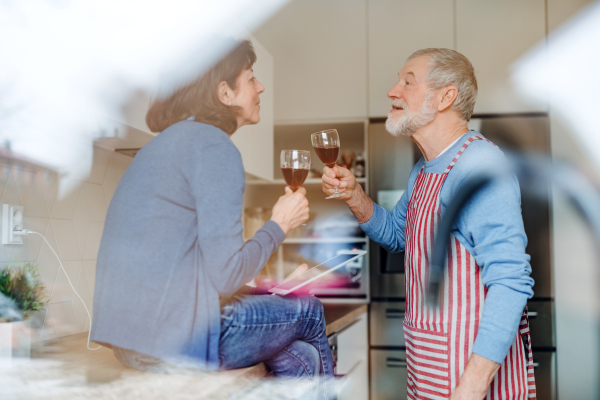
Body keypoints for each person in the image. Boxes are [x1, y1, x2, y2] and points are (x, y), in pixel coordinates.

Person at [91, 39, 334, 399]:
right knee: (310, 310)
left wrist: (273, 290)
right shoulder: (214, 145)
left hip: (132, 343)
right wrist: (279, 223)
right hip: (177, 342)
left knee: (301, 356)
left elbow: (199, 272)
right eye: (251, 78)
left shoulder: (162, 145)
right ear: (225, 92)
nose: (260, 87)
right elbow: (225, 278)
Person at [321, 48, 536, 400]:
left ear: (445, 97)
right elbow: (396, 235)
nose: (393, 91)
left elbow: (510, 281)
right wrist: (354, 195)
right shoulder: (423, 169)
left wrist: (472, 387)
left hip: (470, 377)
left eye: (408, 81)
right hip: (430, 364)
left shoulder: (477, 164)